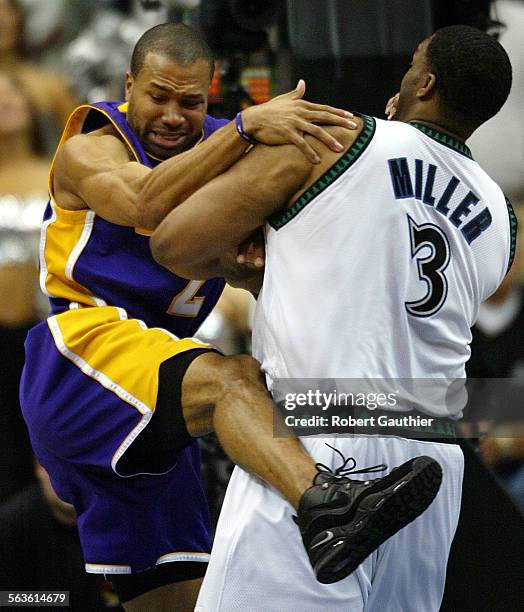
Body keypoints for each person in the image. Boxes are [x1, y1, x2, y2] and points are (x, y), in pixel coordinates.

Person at [19, 22, 433, 612]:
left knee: (180, 600)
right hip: (80, 357)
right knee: (233, 379)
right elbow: (145, 204)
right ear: (128, 84)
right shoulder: (92, 144)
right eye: (157, 96)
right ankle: (328, 504)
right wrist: (243, 128)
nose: (171, 114)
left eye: (189, 101)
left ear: (209, 92)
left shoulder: (229, 146)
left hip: (157, 388)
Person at [150, 25, 516, 611]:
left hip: (320, 437)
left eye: (413, 61)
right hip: (435, 457)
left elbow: (174, 244)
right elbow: (386, 283)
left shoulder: (335, 138)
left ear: (424, 82)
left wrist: (247, 268)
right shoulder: (500, 215)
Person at [0, 71, 49, 503]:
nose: (6, 102)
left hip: (46, 338)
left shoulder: (59, 171)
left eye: (14, 91)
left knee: (47, 457)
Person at [0, 461, 123, 610]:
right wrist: (64, 598)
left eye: (80, 470)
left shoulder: (120, 520)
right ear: (39, 466)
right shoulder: (10, 527)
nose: (70, 481)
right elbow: (6, 598)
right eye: (60, 468)